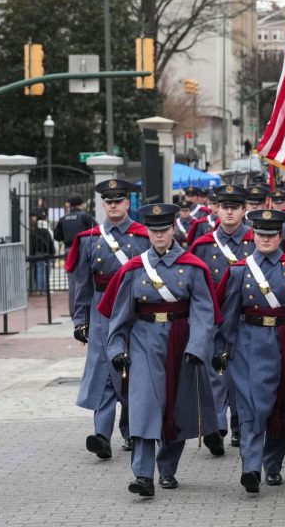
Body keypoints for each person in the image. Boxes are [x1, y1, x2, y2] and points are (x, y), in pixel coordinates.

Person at [98, 203, 222, 496]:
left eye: (164, 230)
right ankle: (143, 475)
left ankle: (167, 468)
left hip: (180, 340)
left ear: (173, 229)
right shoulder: (134, 268)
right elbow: (120, 315)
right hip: (144, 340)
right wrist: (117, 348)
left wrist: (197, 346)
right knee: (144, 406)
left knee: (177, 405)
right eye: (153, 231)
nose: (159, 236)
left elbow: (204, 312)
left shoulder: (193, 267)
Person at [216, 209, 285, 492]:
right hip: (248, 343)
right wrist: (221, 348)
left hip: (284, 342)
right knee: (251, 407)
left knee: (282, 405)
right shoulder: (240, 270)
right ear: (253, 236)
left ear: (280, 236)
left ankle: (273, 464)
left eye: (271, 235)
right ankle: (251, 468)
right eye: (260, 234)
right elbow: (228, 314)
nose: (266, 239)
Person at [65, 179, 151, 459]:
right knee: (104, 370)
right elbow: (81, 284)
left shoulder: (144, 236)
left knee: (132, 370)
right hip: (101, 310)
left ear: (127, 203)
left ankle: (131, 430)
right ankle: (102, 435)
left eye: (118, 201)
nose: (113, 206)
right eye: (109, 202)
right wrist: (80, 320)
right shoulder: (90, 239)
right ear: (102, 205)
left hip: (135, 310)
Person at [190, 184, 255, 449]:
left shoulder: (255, 241)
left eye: (234, 208)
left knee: (241, 373)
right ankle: (216, 426)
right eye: (224, 207)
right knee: (215, 372)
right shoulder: (203, 245)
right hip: (213, 318)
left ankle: (239, 425)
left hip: (245, 318)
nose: (229, 212)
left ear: (244, 210)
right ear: (216, 209)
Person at [29, 211, 56, 292]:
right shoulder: (47, 232)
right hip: (46, 253)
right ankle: (45, 289)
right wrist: (52, 253)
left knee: (39, 271)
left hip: (38, 253)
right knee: (46, 272)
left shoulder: (35, 231)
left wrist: (32, 254)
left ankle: (40, 289)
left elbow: (33, 244)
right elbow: (51, 243)